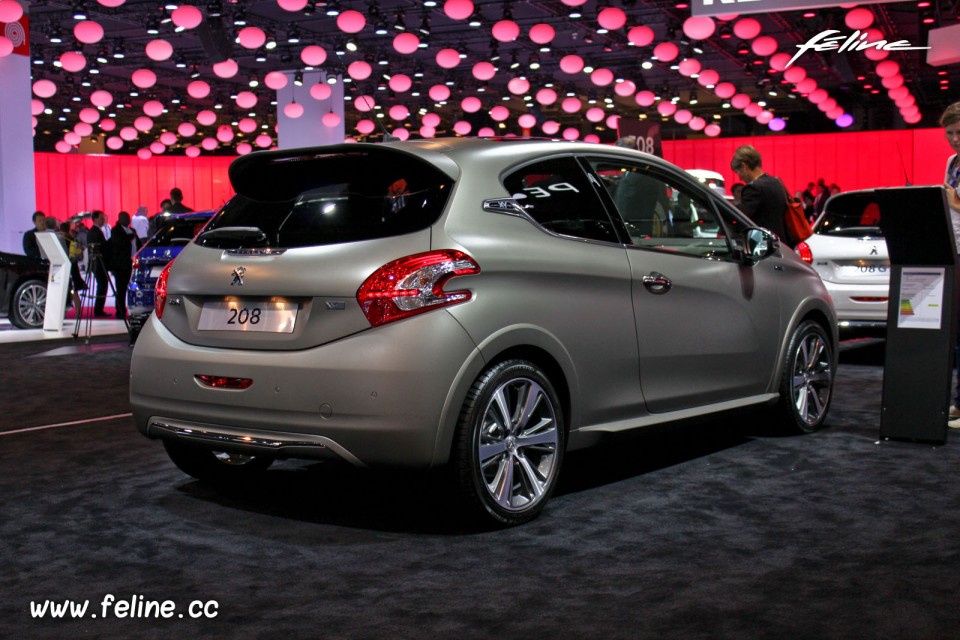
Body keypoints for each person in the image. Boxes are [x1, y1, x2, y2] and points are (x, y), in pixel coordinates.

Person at [939, 102, 960, 428]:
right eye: (950, 133)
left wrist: (953, 198)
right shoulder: (952, 162)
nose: (955, 139)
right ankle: (957, 400)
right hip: (953, 250)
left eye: (959, 132)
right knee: (955, 334)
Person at [730, 145, 792, 246]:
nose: (740, 178)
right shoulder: (777, 182)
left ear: (744, 166)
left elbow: (739, 217)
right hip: (782, 243)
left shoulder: (753, 188)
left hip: (763, 246)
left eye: (738, 172)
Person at [109, 211, 140, 320]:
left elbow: (138, 244)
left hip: (134, 263)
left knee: (134, 288)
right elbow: (117, 244)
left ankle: (135, 309)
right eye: (126, 218)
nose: (128, 220)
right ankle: (120, 311)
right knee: (121, 289)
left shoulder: (133, 230)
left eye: (128, 218)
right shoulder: (115, 230)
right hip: (121, 265)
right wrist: (129, 237)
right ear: (120, 219)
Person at [86, 210, 113, 318]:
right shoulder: (95, 231)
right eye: (101, 218)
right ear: (96, 219)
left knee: (102, 285)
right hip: (98, 263)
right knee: (102, 285)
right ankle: (98, 309)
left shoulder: (96, 231)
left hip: (97, 263)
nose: (103, 220)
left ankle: (99, 309)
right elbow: (102, 247)